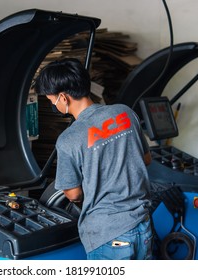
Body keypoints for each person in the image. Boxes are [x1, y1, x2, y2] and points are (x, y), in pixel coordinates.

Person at [34, 58, 154, 260]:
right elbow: (146, 159)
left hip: (107, 234)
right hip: (142, 226)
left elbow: (73, 194)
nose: (53, 104)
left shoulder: (69, 139)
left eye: (50, 100)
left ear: (63, 97)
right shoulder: (124, 113)